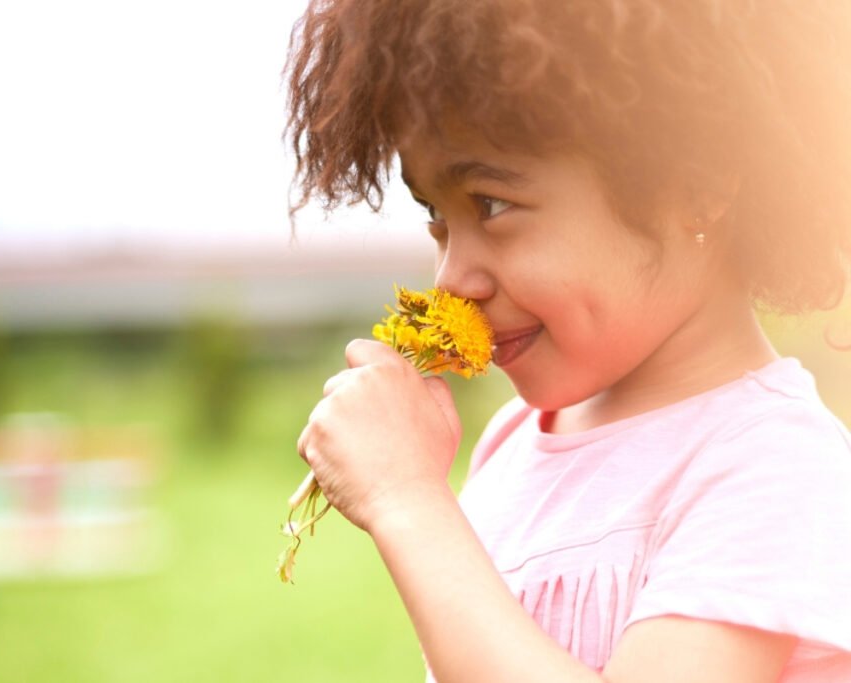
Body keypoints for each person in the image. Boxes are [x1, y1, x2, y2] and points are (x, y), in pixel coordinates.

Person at [285, 1, 851, 682]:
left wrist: (407, 498)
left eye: (490, 204)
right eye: (436, 214)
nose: (452, 279)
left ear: (694, 187)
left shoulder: (772, 464)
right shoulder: (511, 440)